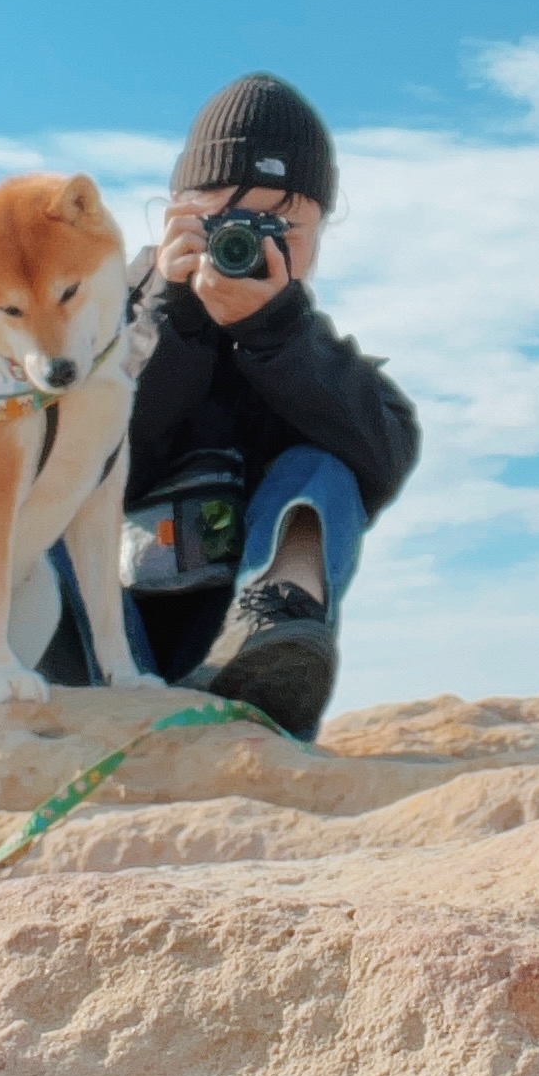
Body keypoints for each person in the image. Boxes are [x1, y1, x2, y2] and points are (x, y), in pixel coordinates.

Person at [116, 73, 419, 737]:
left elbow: (389, 448)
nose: (247, 243)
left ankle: (269, 643)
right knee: (45, 455)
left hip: (237, 665)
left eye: (280, 224)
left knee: (327, 464)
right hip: (104, 646)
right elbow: (91, 459)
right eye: (226, 217)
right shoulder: (101, 320)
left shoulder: (307, 354)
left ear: (319, 236)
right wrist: (177, 323)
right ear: (177, 211)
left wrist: (274, 335)